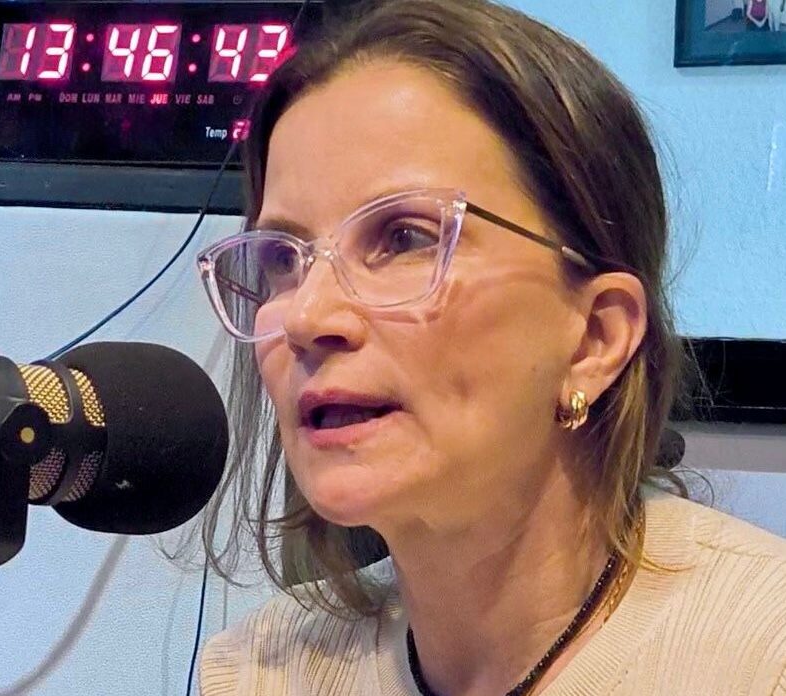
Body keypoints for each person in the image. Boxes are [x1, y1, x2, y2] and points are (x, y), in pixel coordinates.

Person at [192, 0, 786, 693]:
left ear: (595, 337)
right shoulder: (262, 670)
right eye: (281, 259)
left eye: (405, 238)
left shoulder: (762, 657)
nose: (305, 315)